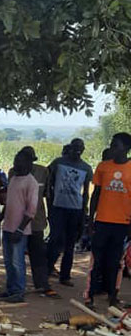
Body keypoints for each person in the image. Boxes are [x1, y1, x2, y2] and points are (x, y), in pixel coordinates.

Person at [86, 132, 131, 309]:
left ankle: (113, 296)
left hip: (122, 224)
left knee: (115, 262)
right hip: (103, 221)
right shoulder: (103, 167)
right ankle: (89, 296)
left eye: (116, 145)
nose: (112, 147)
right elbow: (95, 195)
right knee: (96, 261)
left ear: (126, 148)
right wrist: (90, 220)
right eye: (112, 144)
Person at [10, 146, 58, 298]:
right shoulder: (13, 172)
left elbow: (47, 195)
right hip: (17, 220)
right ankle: (16, 288)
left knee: (37, 253)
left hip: (36, 220)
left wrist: (51, 215)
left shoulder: (43, 172)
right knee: (15, 256)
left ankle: (42, 284)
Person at [47, 138, 92, 287]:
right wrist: (50, 203)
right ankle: (47, 270)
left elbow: (86, 191)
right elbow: (49, 182)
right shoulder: (58, 162)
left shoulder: (86, 168)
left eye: (80, 147)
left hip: (76, 209)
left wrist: (84, 210)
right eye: (75, 147)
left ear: (83, 149)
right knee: (55, 240)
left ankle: (65, 275)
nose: (77, 150)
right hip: (58, 207)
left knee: (70, 243)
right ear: (70, 147)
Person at [0, 150, 38, 303]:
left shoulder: (31, 182)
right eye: (15, 160)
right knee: (8, 262)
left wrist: (20, 229)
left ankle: (19, 292)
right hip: (7, 227)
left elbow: (31, 210)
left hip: (19, 230)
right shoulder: (13, 178)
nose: (15, 164)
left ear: (28, 163)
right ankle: (10, 289)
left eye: (18, 161)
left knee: (17, 262)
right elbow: (9, 203)